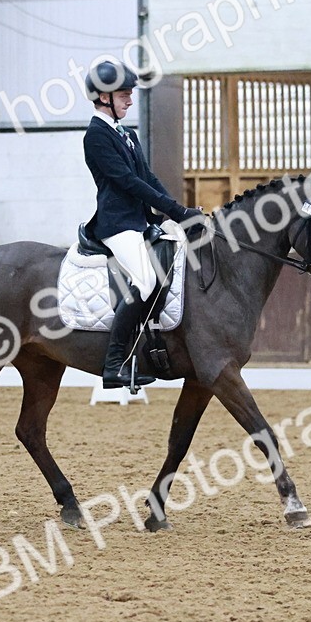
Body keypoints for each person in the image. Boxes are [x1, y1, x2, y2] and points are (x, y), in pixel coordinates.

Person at [82, 61, 199, 389]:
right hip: (116, 224)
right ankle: (114, 364)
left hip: (138, 221)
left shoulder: (126, 134)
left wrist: (181, 212)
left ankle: (145, 351)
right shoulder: (96, 136)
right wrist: (175, 210)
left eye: (130, 94)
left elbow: (148, 177)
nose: (129, 100)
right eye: (123, 95)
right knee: (146, 280)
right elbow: (128, 182)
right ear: (104, 97)